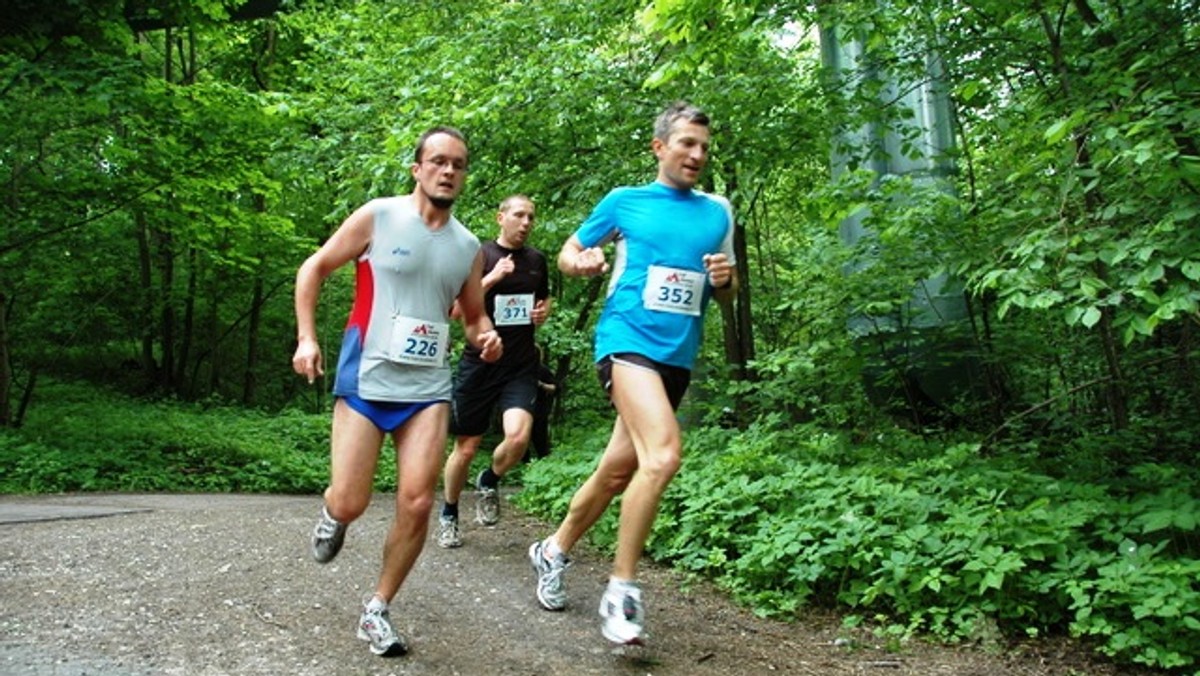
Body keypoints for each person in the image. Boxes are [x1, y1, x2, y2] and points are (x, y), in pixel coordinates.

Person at [527, 101, 737, 646]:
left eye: (704, 147)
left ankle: (552, 550)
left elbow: (727, 290)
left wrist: (725, 278)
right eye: (686, 143)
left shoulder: (718, 212)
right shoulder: (625, 201)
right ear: (660, 147)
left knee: (617, 472)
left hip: (676, 359)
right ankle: (622, 591)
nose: (697, 154)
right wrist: (582, 262)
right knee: (663, 455)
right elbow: (571, 251)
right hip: (625, 343)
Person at [291, 125, 502, 658]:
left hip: (427, 389)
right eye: (438, 161)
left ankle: (377, 608)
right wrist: (307, 337)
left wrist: (487, 337)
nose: (449, 170)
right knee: (353, 499)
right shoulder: (379, 216)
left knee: (416, 501)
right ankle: (334, 512)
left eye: (458, 163)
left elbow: (473, 319)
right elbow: (313, 267)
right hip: (366, 379)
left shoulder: (466, 247)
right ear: (418, 168)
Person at [437, 195, 551, 548]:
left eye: (531, 216)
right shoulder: (479, 255)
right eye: (519, 215)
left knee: (518, 438)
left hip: (520, 365)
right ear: (501, 217)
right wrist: (492, 278)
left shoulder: (537, 261)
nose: (526, 222)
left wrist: (542, 313)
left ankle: (490, 478)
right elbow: (456, 310)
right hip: (480, 365)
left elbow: (542, 302)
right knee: (466, 447)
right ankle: (449, 513)